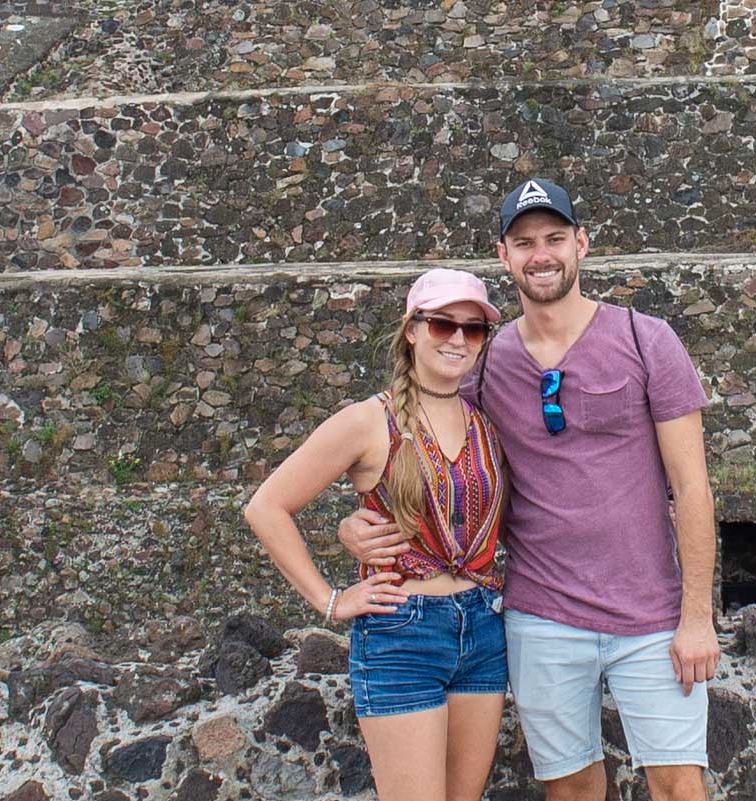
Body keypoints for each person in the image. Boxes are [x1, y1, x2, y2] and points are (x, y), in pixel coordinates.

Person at [340, 178, 721, 801]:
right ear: (503, 256)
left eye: (554, 238)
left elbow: (692, 486)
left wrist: (697, 618)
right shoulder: (485, 362)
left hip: (651, 613)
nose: (540, 254)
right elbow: (422, 455)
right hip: (542, 613)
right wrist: (354, 521)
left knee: (679, 784)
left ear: (582, 244)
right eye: (524, 243)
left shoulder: (646, 341)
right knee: (570, 789)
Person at [244, 268, 511, 801]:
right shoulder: (370, 421)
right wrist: (330, 601)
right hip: (403, 632)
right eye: (442, 324)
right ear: (411, 329)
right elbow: (267, 507)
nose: (458, 339)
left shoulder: (486, 419)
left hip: (484, 629)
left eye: (474, 329)